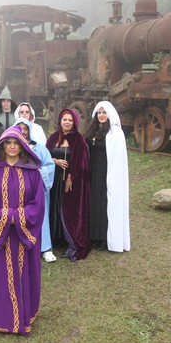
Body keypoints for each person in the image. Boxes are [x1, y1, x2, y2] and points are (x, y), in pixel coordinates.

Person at [0, 126, 45, 336]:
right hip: (0, 236)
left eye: (16, 143)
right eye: (8, 143)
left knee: (24, 272)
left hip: (23, 235)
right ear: (2, 145)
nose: (12, 147)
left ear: (23, 145)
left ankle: (24, 314)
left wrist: (18, 218)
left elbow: (38, 204)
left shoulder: (32, 172)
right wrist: (6, 218)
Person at [45, 108, 91, 261]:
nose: (67, 122)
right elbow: (44, 157)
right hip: (54, 179)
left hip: (70, 181)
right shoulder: (53, 137)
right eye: (64, 119)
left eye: (70, 120)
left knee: (67, 210)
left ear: (74, 123)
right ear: (60, 121)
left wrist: (70, 178)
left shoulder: (78, 140)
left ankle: (70, 241)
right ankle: (56, 239)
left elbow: (81, 163)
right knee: (55, 208)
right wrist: (55, 161)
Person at [86, 101, 130, 252]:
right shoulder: (93, 131)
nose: (102, 115)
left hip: (106, 171)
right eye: (99, 112)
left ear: (110, 114)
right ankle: (94, 236)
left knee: (105, 204)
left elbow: (117, 158)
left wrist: (111, 177)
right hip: (93, 172)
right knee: (94, 203)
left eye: (104, 112)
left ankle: (105, 238)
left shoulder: (115, 133)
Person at [14, 117, 57, 262]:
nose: (23, 132)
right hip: (18, 190)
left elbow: (50, 165)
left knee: (41, 215)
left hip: (37, 188)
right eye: (20, 129)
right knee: (21, 216)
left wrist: (36, 173)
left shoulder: (38, 147)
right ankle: (24, 246)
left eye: (26, 129)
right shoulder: (11, 148)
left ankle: (45, 248)